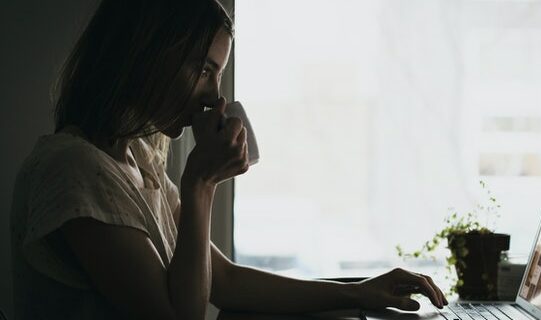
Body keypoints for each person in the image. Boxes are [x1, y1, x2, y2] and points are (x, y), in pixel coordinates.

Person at [10, 0, 447, 319]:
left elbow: (226, 280)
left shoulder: (138, 164)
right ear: (145, 55)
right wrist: (201, 184)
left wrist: (358, 293)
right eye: (203, 69)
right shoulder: (73, 169)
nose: (215, 95)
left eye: (216, 74)